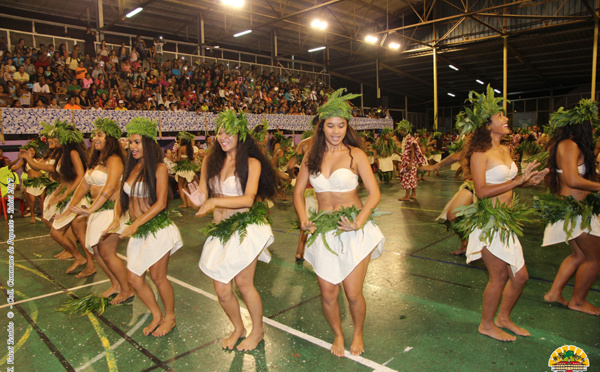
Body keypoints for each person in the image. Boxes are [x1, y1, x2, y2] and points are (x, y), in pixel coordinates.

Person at [292, 89, 384, 357]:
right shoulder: (311, 155)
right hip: (323, 231)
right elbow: (298, 192)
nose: (336, 131)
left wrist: (359, 221)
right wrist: (304, 220)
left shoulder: (356, 155)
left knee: (353, 293)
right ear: (321, 126)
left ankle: (357, 332)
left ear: (347, 126)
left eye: (341, 125)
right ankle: (338, 334)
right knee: (328, 293)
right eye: (330, 125)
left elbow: (374, 193)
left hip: (353, 229)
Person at [457, 86, 547, 341]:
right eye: (500, 116)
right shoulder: (479, 153)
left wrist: (530, 181)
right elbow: (483, 191)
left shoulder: (505, 149)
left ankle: (503, 317)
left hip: (506, 222)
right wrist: (518, 181)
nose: (506, 119)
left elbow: (511, 183)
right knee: (498, 277)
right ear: (487, 124)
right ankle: (486, 324)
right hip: (488, 222)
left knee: (520, 277)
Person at [184, 110, 277, 351]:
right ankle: (239, 327)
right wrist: (199, 198)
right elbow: (204, 194)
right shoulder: (210, 161)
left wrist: (216, 200)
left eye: (229, 131)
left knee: (244, 284)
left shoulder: (252, 163)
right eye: (220, 131)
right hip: (220, 230)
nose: (222, 136)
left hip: (245, 229)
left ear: (241, 134)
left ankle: (257, 331)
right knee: (221, 289)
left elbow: (248, 199)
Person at [104, 117, 183, 336]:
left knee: (158, 278)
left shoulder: (158, 168)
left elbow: (160, 203)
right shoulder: (132, 167)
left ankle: (170, 317)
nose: (133, 147)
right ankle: (156, 314)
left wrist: (134, 225)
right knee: (134, 279)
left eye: (137, 142)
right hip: (137, 231)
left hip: (157, 230)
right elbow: (123, 199)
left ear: (147, 143)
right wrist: (116, 220)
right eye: (130, 142)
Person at [536, 99, 600, 316]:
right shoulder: (569, 145)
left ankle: (554, 293)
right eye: (589, 123)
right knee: (595, 258)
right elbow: (572, 180)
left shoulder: (567, 145)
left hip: (576, 209)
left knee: (580, 256)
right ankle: (578, 301)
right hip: (575, 211)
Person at [69, 119, 132, 300]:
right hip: (98, 211)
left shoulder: (114, 159)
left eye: (99, 135)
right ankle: (116, 285)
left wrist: (91, 209)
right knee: (97, 252)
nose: (95, 138)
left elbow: (111, 187)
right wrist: (68, 210)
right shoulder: (97, 160)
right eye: (94, 134)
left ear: (110, 139)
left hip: (111, 210)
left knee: (106, 252)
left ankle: (127, 289)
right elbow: (83, 185)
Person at [397, 120, 426, 201]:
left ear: (407, 130)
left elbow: (413, 152)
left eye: (403, 130)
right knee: (412, 178)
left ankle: (407, 195)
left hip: (409, 162)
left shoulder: (410, 139)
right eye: (401, 130)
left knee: (408, 177)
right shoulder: (405, 138)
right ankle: (413, 194)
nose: (401, 132)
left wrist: (410, 163)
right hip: (407, 161)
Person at [173, 131, 198, 208]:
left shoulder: (181, 148)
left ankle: (184, 203)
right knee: (185, 186)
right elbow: (192, 158)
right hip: (189, 169)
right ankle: (189, 203)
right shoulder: (191, 148)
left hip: (182, 170)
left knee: (180, 186)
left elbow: (179, 159)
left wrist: (174, 158)